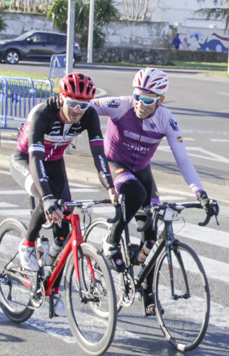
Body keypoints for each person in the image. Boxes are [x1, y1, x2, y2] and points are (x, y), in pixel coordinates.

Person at [89, 67, 219, 315]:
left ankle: (146, 292)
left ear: (161, 99)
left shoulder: (166, 120)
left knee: (152, 233)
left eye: (148, 99)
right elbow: (84, 107)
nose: (140, 103)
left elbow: (183, 159)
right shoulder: (120, 105)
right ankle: (110, 241)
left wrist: (200, 194)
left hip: (141, 169)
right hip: (114, 163)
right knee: (135, 193)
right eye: (137, 96)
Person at [10, 72, 113, 275]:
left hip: (55, 162)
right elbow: (35, 159)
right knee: (46, 198)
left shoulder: (89, 115)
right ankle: (27, 243)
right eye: (72, 103)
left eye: (83, 105)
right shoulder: (42, 114)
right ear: (61, 98)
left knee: (65, 225)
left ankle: (50, 270)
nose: (77, 111)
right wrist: (47, 197)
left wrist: (110, 187)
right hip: (26, 160)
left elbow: (99, 155)